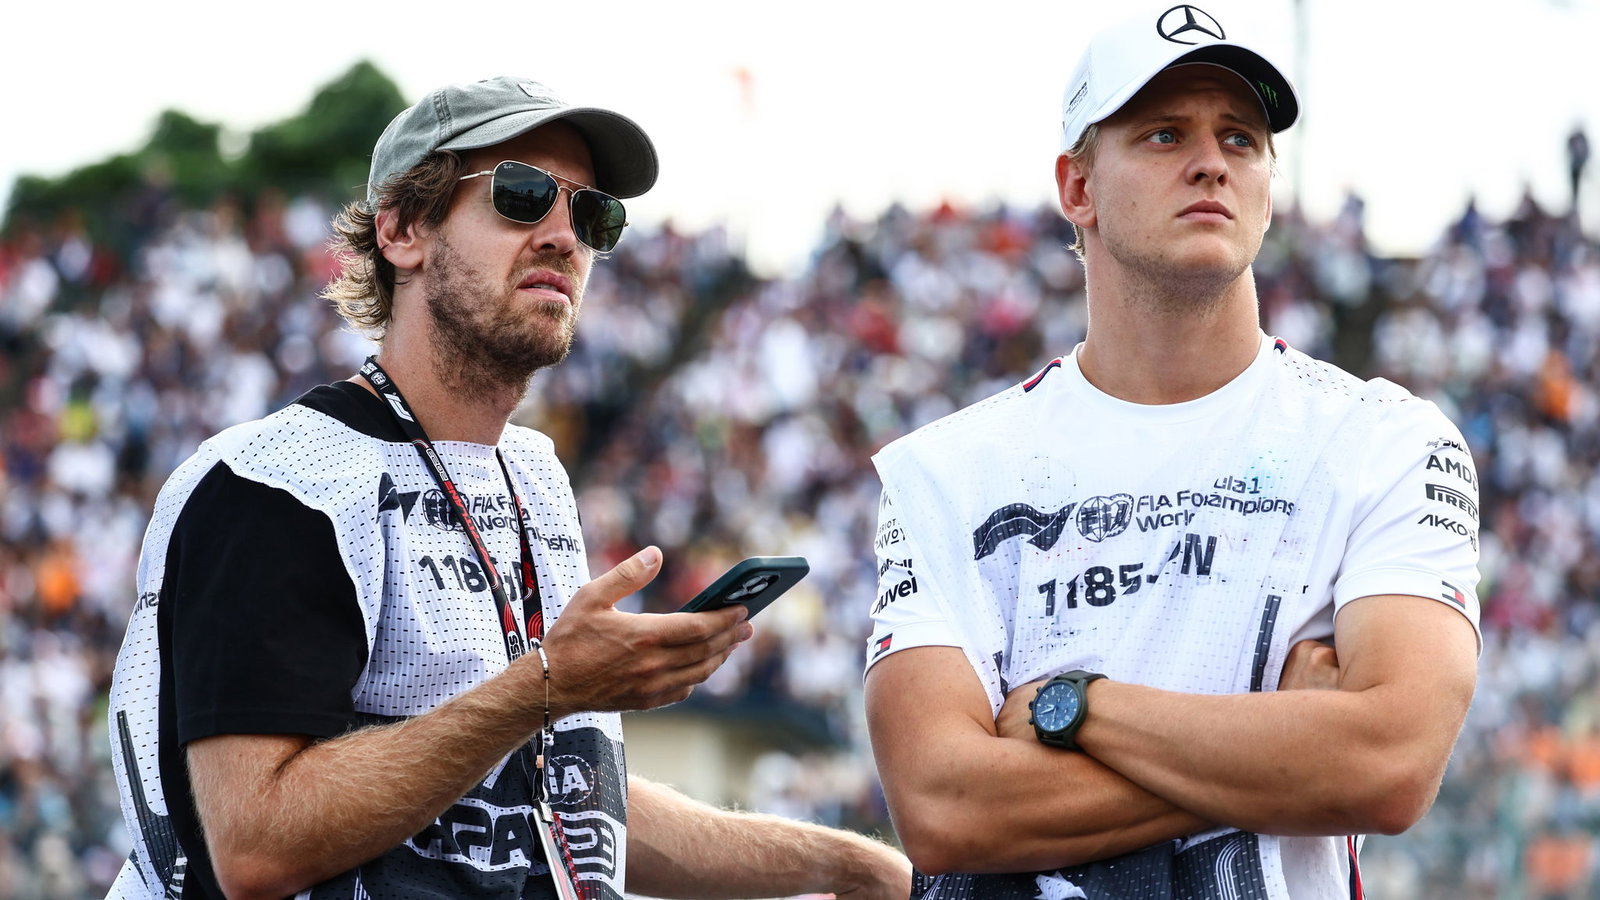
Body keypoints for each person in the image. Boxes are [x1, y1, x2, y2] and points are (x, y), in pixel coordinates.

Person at [105, 76, 912, 900]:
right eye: (522, 196)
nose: (564, 237)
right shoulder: (279, 479)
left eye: (592, 216)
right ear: (402, 230)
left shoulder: (532, 474)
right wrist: (549, 685)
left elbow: (557, 805)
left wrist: (853, 866)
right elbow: (257, 844)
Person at [862, 6, 1481, 899]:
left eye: (1241, 138)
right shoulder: (944, 472)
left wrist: (1077, 708)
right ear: (1078, 188)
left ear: (1267, 188)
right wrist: (1287, 742)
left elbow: (1387, 764)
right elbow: (943, 807)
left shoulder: (1386, 441)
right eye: (1164, 134)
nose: (1211, 162)